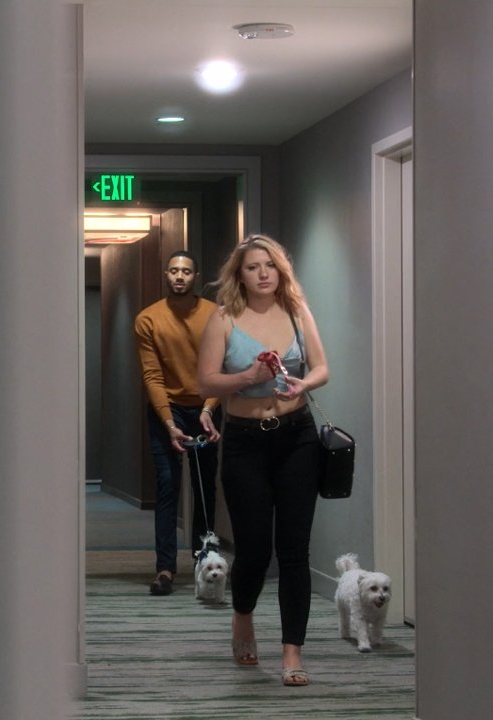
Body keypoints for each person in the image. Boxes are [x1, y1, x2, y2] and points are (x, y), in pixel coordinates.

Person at [196, 234, 329, 687]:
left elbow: (322, 367)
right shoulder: (224, 319)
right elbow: (205, 383)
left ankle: (293, 652)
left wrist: (304, 384)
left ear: (281, 270)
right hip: (245, 442)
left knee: (294, 550)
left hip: (297, 437)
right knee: (254, 548)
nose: (263, 273)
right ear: (240, 275)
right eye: (253, 267)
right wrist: (247, 376)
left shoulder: (297, 311)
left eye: (269, 265)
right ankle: (243, 615)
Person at [134, 250, 224, 596]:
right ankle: (165, 568)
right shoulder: (148, 319)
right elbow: (152, 375)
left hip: (204, 408)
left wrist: (209, 409)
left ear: (195, 276)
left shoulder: (215, 315)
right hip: (167, 410)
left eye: (186, 271)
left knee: (204, 488)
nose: (179, 276)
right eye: (173, 271)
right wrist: (169, 422)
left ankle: (204, 562)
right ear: (166, 275)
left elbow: (221, 367)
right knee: (168, 486)